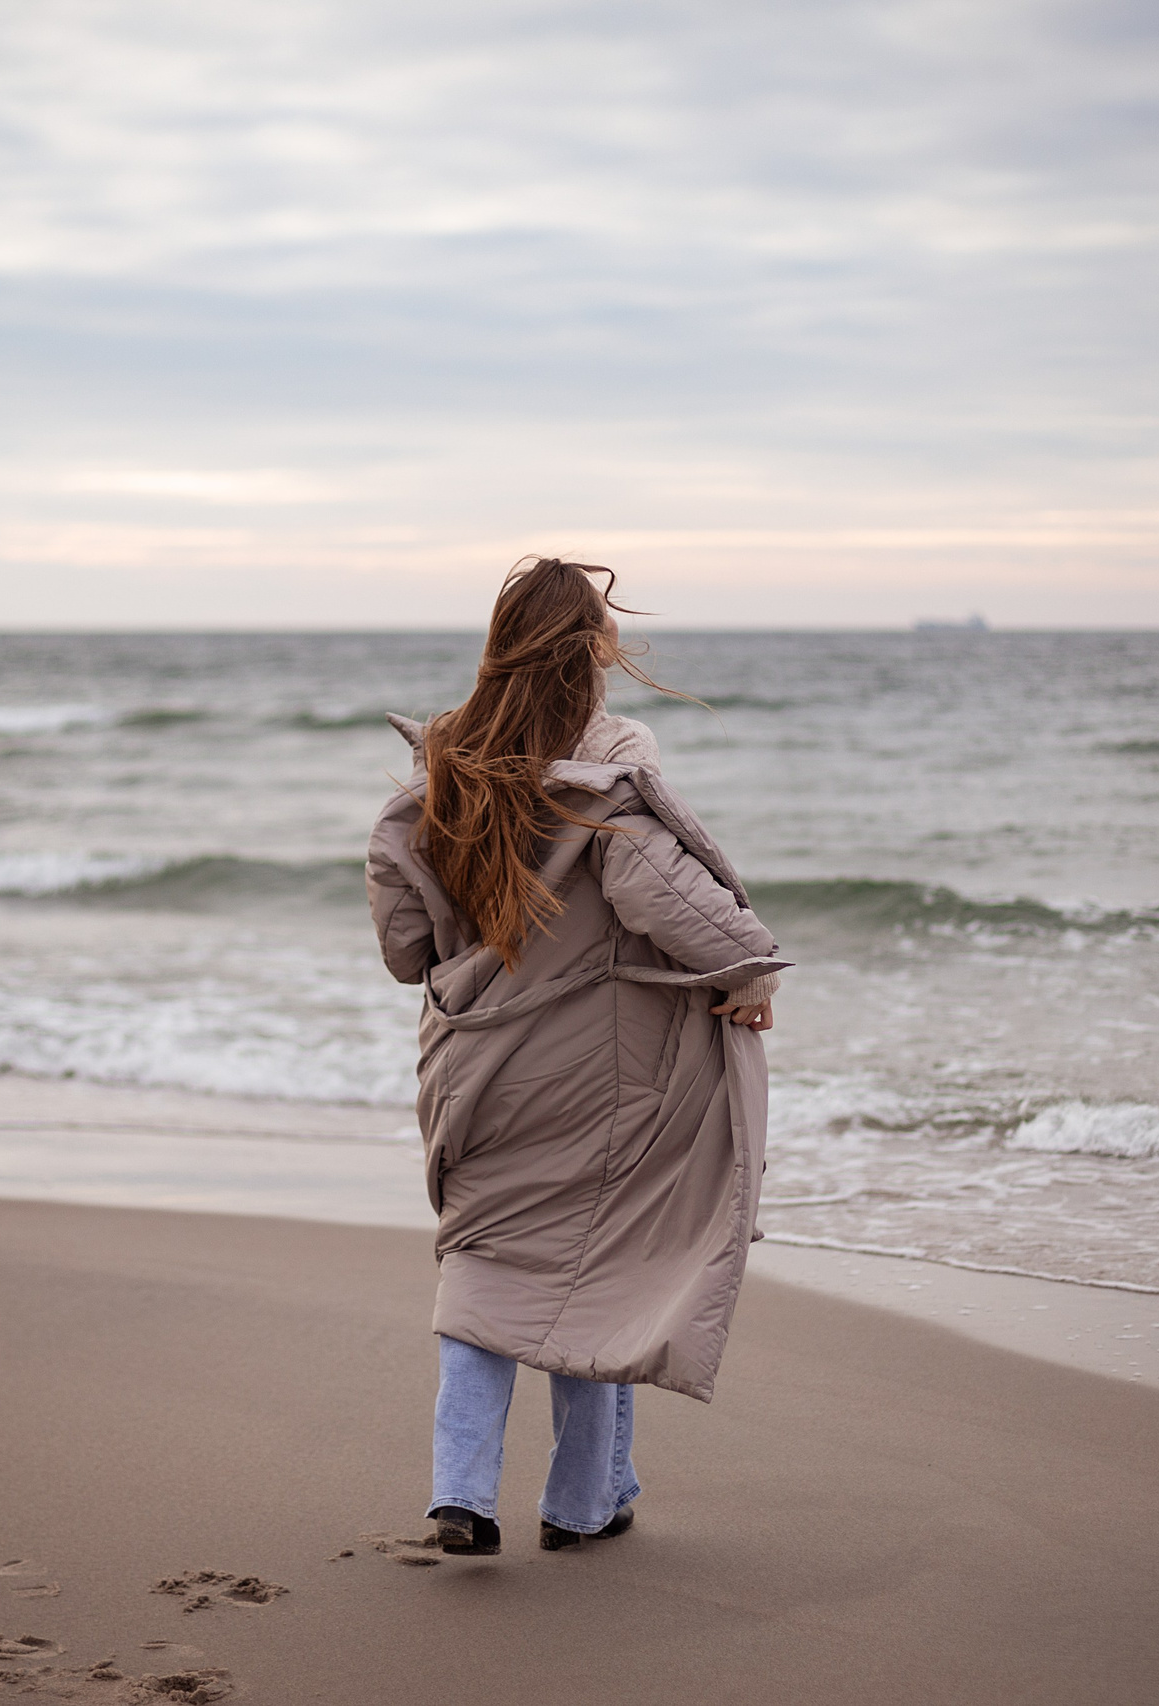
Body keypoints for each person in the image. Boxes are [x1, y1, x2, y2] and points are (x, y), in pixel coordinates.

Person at [366, 557, 787, 1557]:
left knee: (486, 1265)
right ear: (593, 653)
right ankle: (581, 1504)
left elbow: (401, 946)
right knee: (597, 1272)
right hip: (594, 1079)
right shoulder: (609, 770)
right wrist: (750, 976)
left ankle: (459, 1494)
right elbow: (668, 899)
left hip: (474, 1070)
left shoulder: (441, 772)